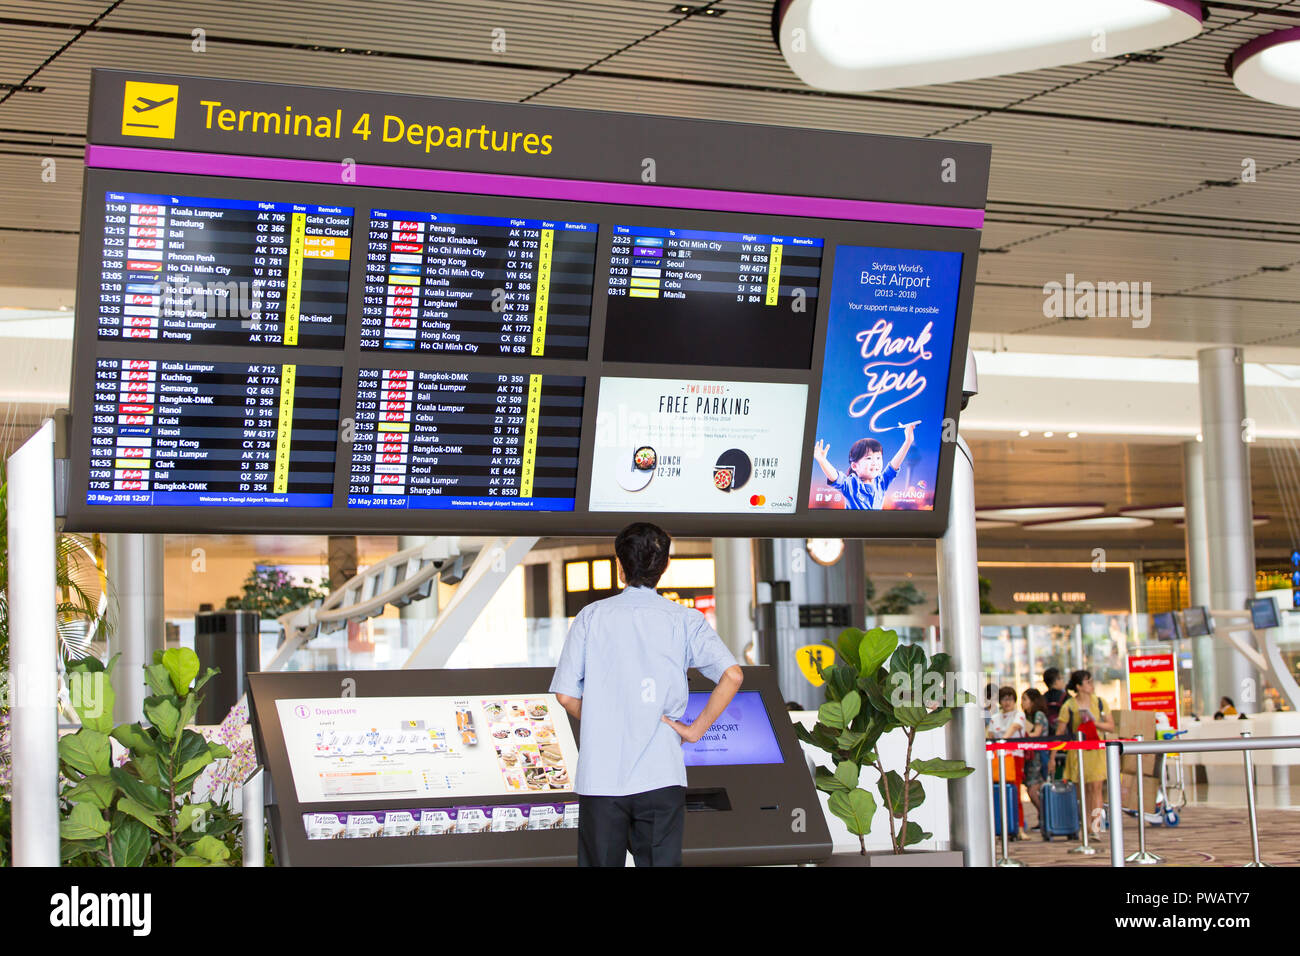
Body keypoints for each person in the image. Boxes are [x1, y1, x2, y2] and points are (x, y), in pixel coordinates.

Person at [550, 522, 744, 867]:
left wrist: (604, 716)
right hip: (661, 774)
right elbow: (732, 675)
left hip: (601, 778)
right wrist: (695, 730)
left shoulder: (590, 617)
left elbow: (565, 696)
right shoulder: (685, 620)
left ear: (619, 566)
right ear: (665, 566)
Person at [1053, 669, 1115, 829]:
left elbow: (1111, 726)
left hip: (1096, 749)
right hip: (1078, 751)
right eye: (1088, 682)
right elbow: (1059, 732)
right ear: (1079, 686)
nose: (1091, 685)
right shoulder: (1069, 706)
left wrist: (1094, 723)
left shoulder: (1100, 702)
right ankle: (1087, 825)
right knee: (1083, 790)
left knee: (1096, 788)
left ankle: (1095, 825)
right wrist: (1053, 756)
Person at [811, 422, 915, 510]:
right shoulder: (852, 484)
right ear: (855, 466)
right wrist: (822, 461)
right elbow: (835, 477)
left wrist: (908, 442)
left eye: (878, 458)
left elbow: (894, 465)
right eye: (869, 458)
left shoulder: (881, 482)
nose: (875, 462)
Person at [1021, 689, 1050, 829]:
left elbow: (1037, 733)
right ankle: (1044, 818)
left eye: (1025, 699)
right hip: (1033, 757)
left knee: (1033, 789)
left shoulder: (1038, 715)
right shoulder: (1029, 716)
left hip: (1038, 756)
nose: (1022, 703)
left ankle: (1045, 816)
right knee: (1032, 788)